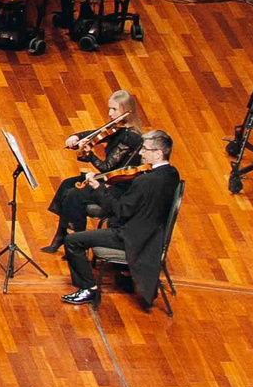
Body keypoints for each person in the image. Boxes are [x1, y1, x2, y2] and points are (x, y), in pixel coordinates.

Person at [62, 129, 182, 309]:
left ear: (158, 153)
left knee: (72, 241)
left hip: (131, 237)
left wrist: (98, 189)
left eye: (146, 150)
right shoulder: (172, 174)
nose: (141, 153)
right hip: (151, 234)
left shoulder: (145, 182)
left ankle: (89, 288)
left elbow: (120, 211)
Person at [45, 89, 145, 251]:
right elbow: (96, 134)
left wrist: (89, 155)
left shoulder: (130, 136)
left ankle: (77, 241)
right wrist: (77, 137)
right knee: (67, 184)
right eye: (109, 109)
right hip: (106, 178)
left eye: (114, 109)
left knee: (74, 194)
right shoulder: (118, 128)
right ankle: (62, 234)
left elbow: (107, 167)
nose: (110, 114)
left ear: (127, 110)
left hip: (118, 186)